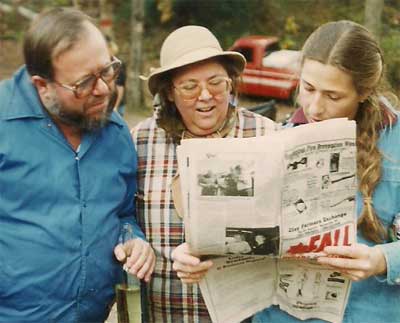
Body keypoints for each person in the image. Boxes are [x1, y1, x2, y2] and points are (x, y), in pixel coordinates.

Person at [0, 8, 155, 322]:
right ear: (42, 85)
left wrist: (133, 238)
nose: (104, 89)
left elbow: (123, 212)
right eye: (84, 82)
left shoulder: (116, 131)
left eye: (107, 70)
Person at [253, 20, 400, 323]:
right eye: (308, 88)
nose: (315, 107)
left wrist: (382, 260)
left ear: (364, 91)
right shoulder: (279, 139)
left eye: (333, 96)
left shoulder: (395, 142)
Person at [132, 25, 276, 322]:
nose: (206, 96)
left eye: (216, 83)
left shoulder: (266, 134)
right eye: (189, 87)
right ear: (170, 93)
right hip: (165, 314)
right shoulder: (140, 141)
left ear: (231, 83)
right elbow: (121, 220)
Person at [106, 35, 127, 117]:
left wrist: (115, 106)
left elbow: (120, 86)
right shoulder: (106, 63)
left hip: (117, 103)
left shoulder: (118, 64)